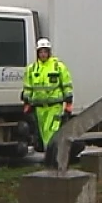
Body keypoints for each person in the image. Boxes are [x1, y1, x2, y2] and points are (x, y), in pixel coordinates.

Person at [21, 38, 74, 167]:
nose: (43, 54)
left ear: (49, 52)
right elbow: (28, 88)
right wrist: (27, 102)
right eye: (41, 52)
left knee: (52, 133)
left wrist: (68, 104)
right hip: (39, 108)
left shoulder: (58, 66)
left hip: (54, 107)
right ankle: (50, 159)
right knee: (44, 135)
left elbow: (66, 85)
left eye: (45, 52)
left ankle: (53, 160)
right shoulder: (32, 69)